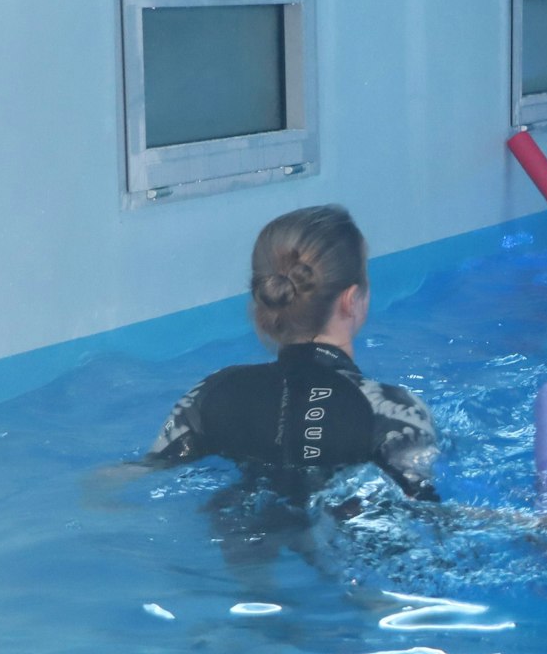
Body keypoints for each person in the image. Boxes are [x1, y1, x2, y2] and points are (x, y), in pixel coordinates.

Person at [142, 205, 439, 502]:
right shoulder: (391, 410)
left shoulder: (210, 392)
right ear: (351, 300)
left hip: (239, 523)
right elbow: (426, 510)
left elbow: (140, 474)